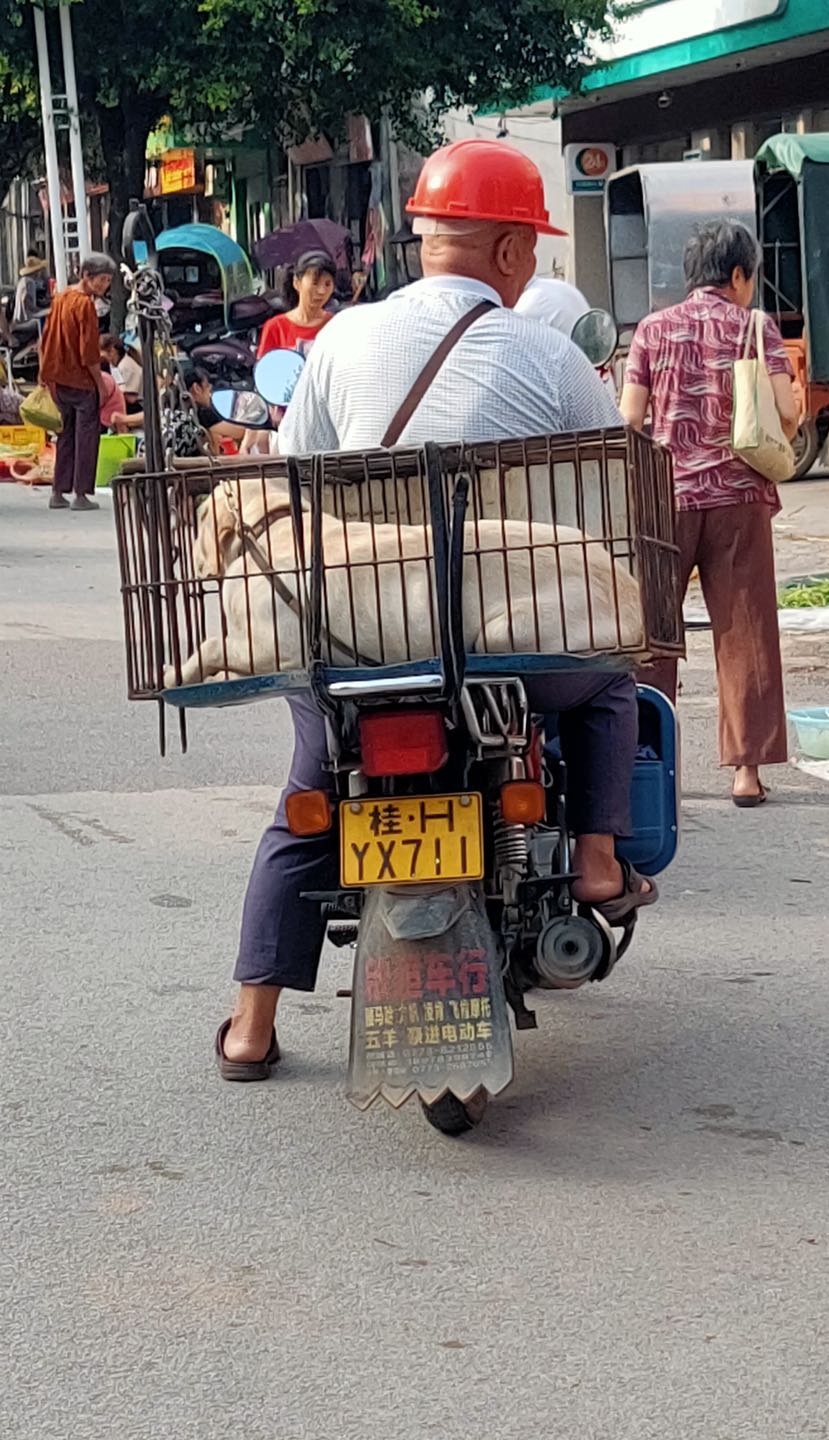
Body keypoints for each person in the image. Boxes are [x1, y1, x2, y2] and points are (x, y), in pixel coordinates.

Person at [219, 138, 656, 1078]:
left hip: (358, 639)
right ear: (505, 252)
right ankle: (596, 859)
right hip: (509, 644)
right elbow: (608, 500)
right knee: (614, 686)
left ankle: (251, 1025)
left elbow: (295, 477)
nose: (533, 263)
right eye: (532, 246)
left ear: (423, 238)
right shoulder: (546, 357)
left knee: (310, 788)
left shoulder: (338, 342)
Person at [620, 220, 799, 809]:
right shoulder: (756, 327)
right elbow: (786, 412)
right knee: (743, 629)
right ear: (740, 275)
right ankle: (746, 772)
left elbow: (629, 423)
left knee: (653, 632)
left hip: (663, 499)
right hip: (739, 499)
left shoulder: (652, 329)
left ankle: (647, 761)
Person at [39, 251, 116, 512]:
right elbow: (89, 352)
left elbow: (45, 339)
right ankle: (81, 494)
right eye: (102, 280)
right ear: (86, 276)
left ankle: (58, 491)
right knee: (86, 438)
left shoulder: (61, 297)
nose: (105, 286)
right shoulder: (84, 305)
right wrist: (101, 383)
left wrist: (46, 375)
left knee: (64, 435)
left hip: (60, 379)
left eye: (107, 281)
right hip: (81, 382)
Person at [257, 249, 336, 359]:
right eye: (315, 283)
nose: (321, 291)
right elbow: (265, 372)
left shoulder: (335, 325)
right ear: (297, 283)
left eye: (327, 284)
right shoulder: (275, 327)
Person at [184, 367, 246, 454]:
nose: (210, 391)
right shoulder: (201, 412)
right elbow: (239, 432)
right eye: (207, 386)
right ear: (196, 388)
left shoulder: (180, 410)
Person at [100, 334, 142, 408]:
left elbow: (131, 398)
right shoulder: (114, 365)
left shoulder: (125, 366)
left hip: (138, 405)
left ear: (112, 351)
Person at [12, 250, 48, 326]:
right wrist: (42, 310)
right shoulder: (30, 282)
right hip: (26, 319)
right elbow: (28, 303)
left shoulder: (23, 280)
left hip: (18, 319)